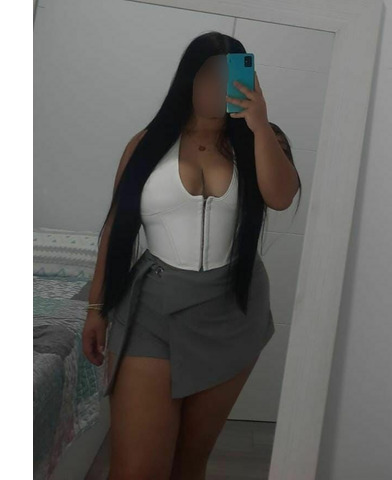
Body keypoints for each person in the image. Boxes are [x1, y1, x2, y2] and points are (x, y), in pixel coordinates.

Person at [82, 32, 301, 480]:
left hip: (233, 311)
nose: (217, 88)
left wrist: (260, 125)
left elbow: (281, 198)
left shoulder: (260, 140)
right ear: (189, 78)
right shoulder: (146, 144)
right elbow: (116, 228)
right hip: (152, 312)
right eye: (208, 76)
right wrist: (95, 307)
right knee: (137, 470)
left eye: (229, 77)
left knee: (189, 463)